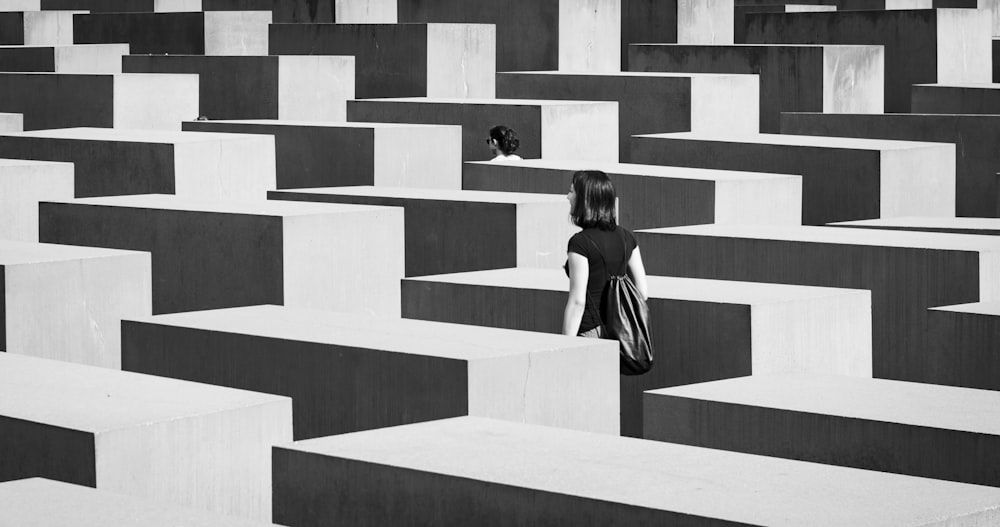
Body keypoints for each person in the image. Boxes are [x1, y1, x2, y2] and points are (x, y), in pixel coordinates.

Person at [562, 170, 648, 337]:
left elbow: (578, 302)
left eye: (572, 191)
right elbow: (642, 292)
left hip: (590, 331)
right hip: (622, 333)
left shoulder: (580, 243)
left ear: (585, 200)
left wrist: (565, 346)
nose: (567, 197)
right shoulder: (627, 238)